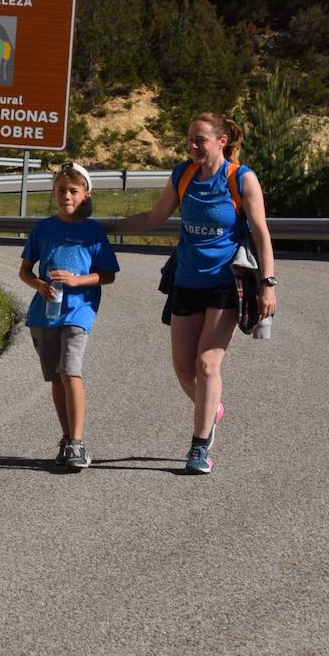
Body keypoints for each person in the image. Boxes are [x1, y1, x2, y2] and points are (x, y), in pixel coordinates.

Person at [104, 112, 276, 474]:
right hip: (186, 279)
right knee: (184, 368)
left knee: (207, 364)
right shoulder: (183, 175)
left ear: (221, 141)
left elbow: (260, 232)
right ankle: (210, 407)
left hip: (225, 281)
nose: (193, 146)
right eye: (189, 139)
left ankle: (199, 447)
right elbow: (154, 217)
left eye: (200, 139)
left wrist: (268, 283)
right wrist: (105, 227)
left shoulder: (240, 178)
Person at [17, 163, 119, 471]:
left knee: (70, 372)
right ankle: (65, 438)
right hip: (44, 314)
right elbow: (25, 271)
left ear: (85, 194)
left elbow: (108, 275)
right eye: (61, 190)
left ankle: (78, 442)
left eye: (73, 190)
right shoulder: (43, 228)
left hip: (79, 312)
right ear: (53, 193)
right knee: (57, 378)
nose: (66, 196)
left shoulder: (92, 232)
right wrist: (38, 284)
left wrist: (76, 281)